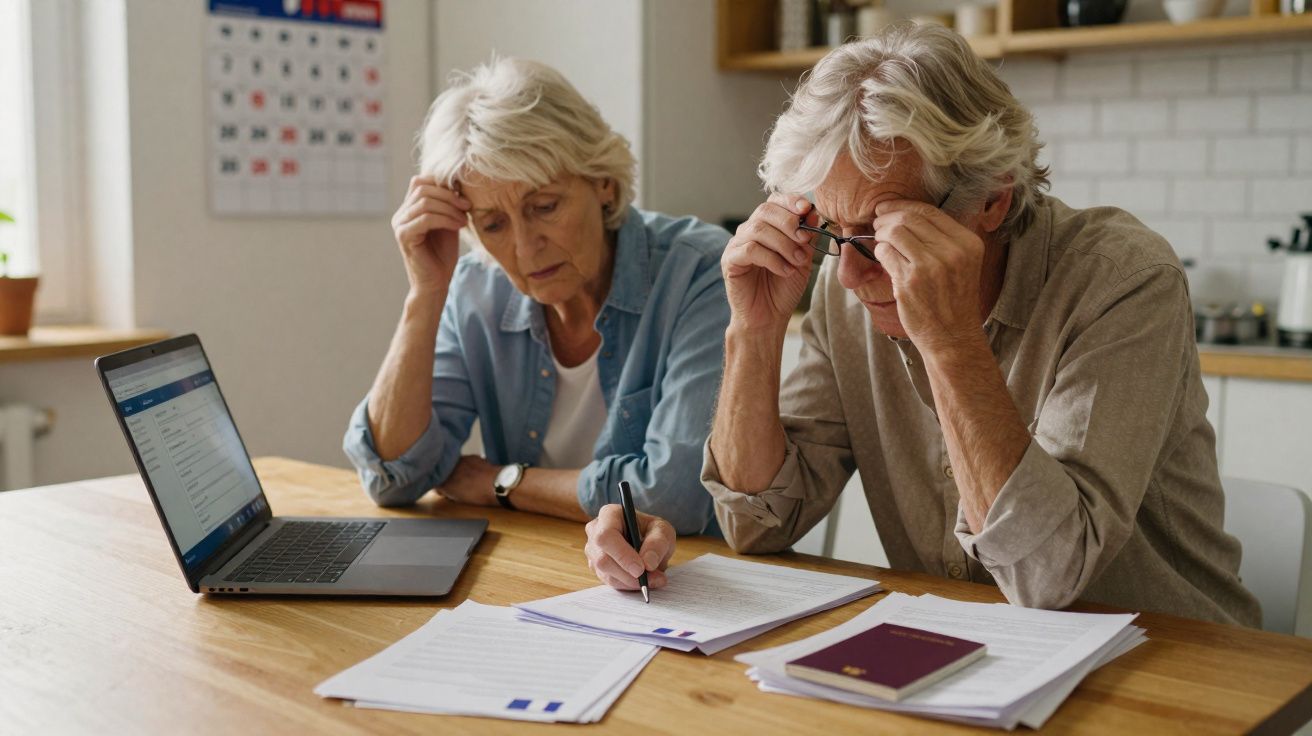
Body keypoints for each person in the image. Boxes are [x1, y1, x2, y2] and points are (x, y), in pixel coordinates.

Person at [583, 23, 1260, 626]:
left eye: (884, 232)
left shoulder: (1122, 280)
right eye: (837, 233)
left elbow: (1048, 572)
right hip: (978, 658)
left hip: (1174, 665)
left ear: (991, 200)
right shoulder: (849, 282)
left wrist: (951, 338)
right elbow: (760, 522)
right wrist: (754, 332)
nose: (850, 276)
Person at [344, 57, 730, 535]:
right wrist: (425, 294)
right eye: (493, 224)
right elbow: (393, 477)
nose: (525, 249)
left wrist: (502, 483)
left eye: (544, 207)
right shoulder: (473, 288)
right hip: (536, 572)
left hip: (680, 586)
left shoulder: (700, 271)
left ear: (603, 183)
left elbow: (672, 498)